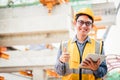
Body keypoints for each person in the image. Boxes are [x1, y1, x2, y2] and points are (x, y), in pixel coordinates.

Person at [55, 7, 107, 80]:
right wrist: (61, 62)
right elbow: (59, 72)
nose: (84, 26)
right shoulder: (64, 45)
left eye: (88, 23)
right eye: (81, 22)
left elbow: (103, 72)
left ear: (91, 26)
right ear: (75, 23)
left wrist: (96, 69)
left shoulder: (99, 46)